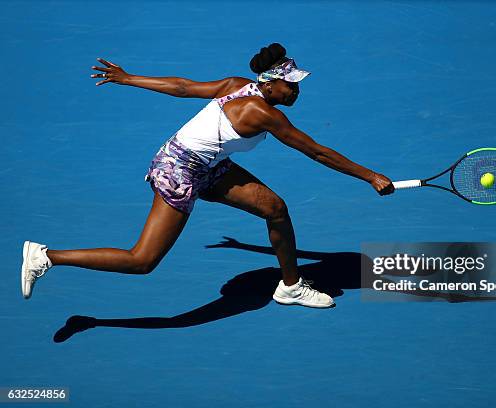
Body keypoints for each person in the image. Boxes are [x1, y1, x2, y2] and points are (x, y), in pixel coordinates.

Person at [21, 43, 395, 308]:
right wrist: (370, 175)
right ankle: (47, 256)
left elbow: (183, 87)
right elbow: (315, 151)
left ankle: (291, 286)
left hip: (208, 166)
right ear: (268, 83)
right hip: (180, 171)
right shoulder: (265, 114)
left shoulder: (237, 85)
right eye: (290, 83)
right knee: (143, 261)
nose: (296, 89)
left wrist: (128, 78)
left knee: (275, 208)